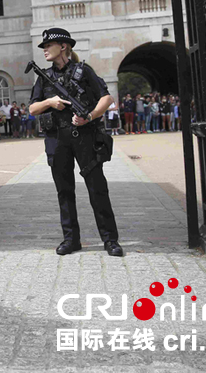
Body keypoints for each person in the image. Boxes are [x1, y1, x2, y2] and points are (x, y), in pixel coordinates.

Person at [29, 28, 123, 257]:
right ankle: (71, 239)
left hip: (85, 137)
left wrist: (89, 117)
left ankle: (110, 240)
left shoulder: (83, 71)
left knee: (97, 189)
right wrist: (50, 101)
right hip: (57, 139)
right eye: (42, 47)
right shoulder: (44, 77)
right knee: (64, 191)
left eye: (48, 46)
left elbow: (107, 97)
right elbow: (32, 108)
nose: (44, 51)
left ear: (63, 46)